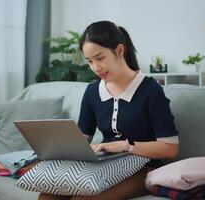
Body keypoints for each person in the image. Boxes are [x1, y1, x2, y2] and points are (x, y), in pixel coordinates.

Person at [39, 20, 179, 200]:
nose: (95, 68)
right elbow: (83, 138)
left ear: (119, 50)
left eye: (100, 58)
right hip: (103, 165)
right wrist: (58, 147)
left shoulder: (150, 91)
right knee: (49, 194)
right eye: (90, 61)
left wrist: (126, 146)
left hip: (143, 168)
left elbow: (170, 148)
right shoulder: (92, 92)